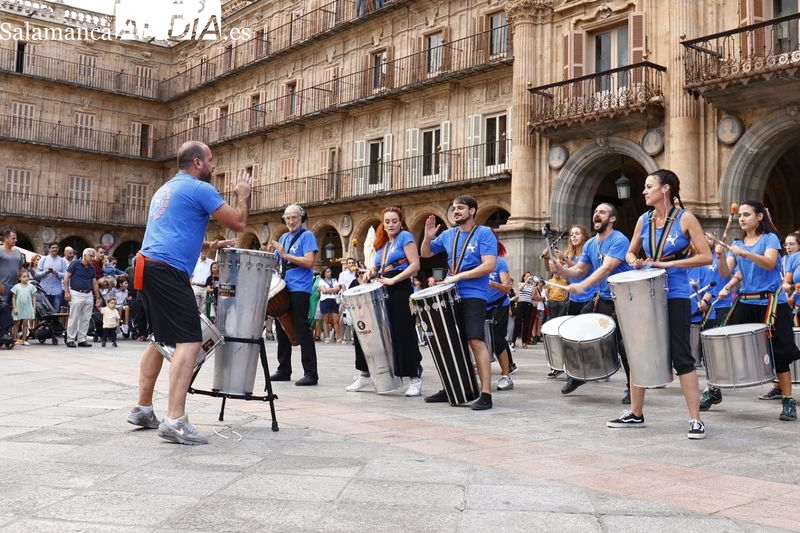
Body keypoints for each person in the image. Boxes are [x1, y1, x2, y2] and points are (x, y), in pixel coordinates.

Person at [127, 140, 249, 445]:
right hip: (168, 269)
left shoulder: (166, 189)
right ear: (197, 163)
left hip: (147, 265)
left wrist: (208, 246)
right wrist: (243, 196)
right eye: (211, 161)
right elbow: (239, 222)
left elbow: (172, 230)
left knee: (159, 340)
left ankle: (143, 408)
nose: (214, 166)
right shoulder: (201, 189)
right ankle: (175, 420)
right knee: (190, 340)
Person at [604, 170, 711, 439]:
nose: (644, 191)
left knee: (681, 355)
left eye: (649, 186)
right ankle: (636, 413)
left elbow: (706, 256)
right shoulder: (644, 219)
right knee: (639, 351)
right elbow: (631, 250)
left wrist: (669, 263)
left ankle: (695, 419)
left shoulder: (685, 218)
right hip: (647, 291)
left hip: (674, 292)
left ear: (665, 189)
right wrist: (633, 260)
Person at [714, 201, 800, 421]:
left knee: (780, 353)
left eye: (747, 214)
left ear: (760, 217)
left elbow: (770, 263)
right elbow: (725, 273)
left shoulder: (770, 239)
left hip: (772, 301)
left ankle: (788, 401)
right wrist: (722, 256)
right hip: (746, 300)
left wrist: (744, 254)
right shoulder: (736, 242)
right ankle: (713, 389)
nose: (742, 218)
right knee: (722, 342)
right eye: (740, 215)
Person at [420, 195, 497, 410]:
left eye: (461, 208)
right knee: (452, 344)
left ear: (472, 211)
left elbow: (489, 265)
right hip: (451, 294)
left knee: (475, 341)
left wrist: (459, 277)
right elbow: (425, 253)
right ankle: (453, 388)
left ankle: (486, 393)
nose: (456, 211)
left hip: (474, 294)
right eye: (454, 208)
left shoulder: (484, 234)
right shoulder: (448, 235)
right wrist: (427, 237)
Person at [550, 203, 633, 402]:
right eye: (595, 211)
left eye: (602, 212)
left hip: (623, 300)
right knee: (578, 331)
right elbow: (578, 270)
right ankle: (579, 374)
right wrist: (561, 270)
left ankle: (632, 388)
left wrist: (583, 286)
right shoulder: (590, 244)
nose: (597, 214)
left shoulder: (619, 239)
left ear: (612, 219)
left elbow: (606, 268)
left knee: (623, 345)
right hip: (603, 298)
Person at [348, 206, 424, 395]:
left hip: (400, 287)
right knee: (367, 329)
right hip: (382, 286)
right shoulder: (382, 242)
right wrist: (371, 273)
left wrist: (394, 279)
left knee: (403, 332)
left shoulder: (405, 237)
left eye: (394, 221)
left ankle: (414, 378)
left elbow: (415, 265)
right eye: (387, 221)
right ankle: (365, 374)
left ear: (400, 222)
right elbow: (377, 266)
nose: (390, 224)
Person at [268, 204, 319, 386]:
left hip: (300, 287)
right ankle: (283, 369)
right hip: (283, 286)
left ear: (301, 218)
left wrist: (285, 254)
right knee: (281, 326)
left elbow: (309, 261)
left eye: (294, 217)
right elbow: (276, 258)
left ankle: (311, 373)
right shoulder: (283, 237)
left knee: (301, 327)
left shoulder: (307, 236)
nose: (291, 221)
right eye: (288, 218)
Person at [486, 229, 514, 391]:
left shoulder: (499, 262)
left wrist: (493, 284)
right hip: (481, 305)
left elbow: (507, 288)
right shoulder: (475, 261)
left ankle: (506, 376)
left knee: (497, 338)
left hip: (499, 304)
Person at [63, 248, 102, 348]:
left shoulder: (92, 267)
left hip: (88, 293)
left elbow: (94, 282)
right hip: (76, 293)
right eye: (91, 256)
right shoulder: (75, 263)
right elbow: (66, 277)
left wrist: (97, 297)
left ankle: (82, 339)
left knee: (86, 318)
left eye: (93, 256)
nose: (93, 258)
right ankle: (70, 339)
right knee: (74, 317)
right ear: (85, 255)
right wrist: (67, 291)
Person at [0, 230, 25, 340]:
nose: (15, 240)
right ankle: (2, 333)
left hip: (16, 287)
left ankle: (12, 336)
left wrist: (24, 281)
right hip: (3, 286)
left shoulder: (18, 252)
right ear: (5, 239)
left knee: (15, 311)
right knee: (3, 309)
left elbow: (21, 268)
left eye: (16, 238)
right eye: (13, 238)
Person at [35, 242, 68, 315]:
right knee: (43, 313)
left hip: (57, 291)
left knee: (55, 313)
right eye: (53, 247)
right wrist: (45, 272)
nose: (54, 249)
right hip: (44, 290)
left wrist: (56, 273)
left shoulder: (62, 261)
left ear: (58, 249)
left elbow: (66, 276)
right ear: (49, 249)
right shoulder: (43, 259)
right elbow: (36, 275)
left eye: (56, 247)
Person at [10, 269, 36, 345]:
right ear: (19, 278)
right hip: (18, 307)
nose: (26, 278)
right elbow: (13, 297)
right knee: (16, 323)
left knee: (25, 324)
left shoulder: (31, 287)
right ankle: (14, 339)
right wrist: (14, 307)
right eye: (24, 276)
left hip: (27, 307)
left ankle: (24, 340)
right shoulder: (16, 286)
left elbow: (33, 297)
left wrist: (34, 307)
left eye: (27, 276)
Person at [318, 267, 342, 343]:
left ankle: (338, 337)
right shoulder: (321, 281)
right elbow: (323, 291)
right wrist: (332, 290)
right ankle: (327, 337)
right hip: (325, 300)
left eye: (330, 271)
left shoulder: (334, 280)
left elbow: (337, 288)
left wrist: (329, 290)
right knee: (326, 320)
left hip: (334, 300)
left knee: (336, 320)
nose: (329, 273)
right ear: (324, 273)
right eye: (327, 272)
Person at [512, 272, 534, 348]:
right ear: (524, 277)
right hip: (521, 304)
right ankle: (513, 341)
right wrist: (526, 281)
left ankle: (524, 342)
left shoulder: (531, 286)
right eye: (527, 276)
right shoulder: (521, 283)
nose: (529, 277)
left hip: (528, 304)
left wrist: (533, 285)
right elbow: (520, 289)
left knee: (526, 323)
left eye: (530, 276)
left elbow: (532, 296)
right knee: (517, 322)